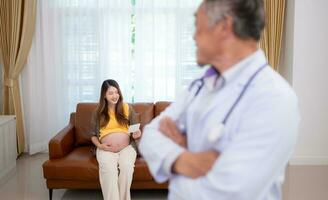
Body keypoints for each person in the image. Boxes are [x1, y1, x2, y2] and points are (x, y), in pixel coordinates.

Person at [139, 0, 300, 200]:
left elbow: (230, 192)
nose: (194, 36)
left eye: (198, 25)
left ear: (224, 26)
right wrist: (182, 159)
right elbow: (150, 135)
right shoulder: (200, 84)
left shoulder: (275, 98)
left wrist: (174, 171)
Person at [91, 79, 141, 200]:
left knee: (127, 167)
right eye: (110, 93)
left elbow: (136, 129)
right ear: (104, 95)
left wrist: (137, 133)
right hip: (105, 149)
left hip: (127, 148)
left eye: (116, 92)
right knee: (109, 172)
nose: (114, 96)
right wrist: (100, 146)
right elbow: (93, 135)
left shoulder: (127, 108)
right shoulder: (98, 112)